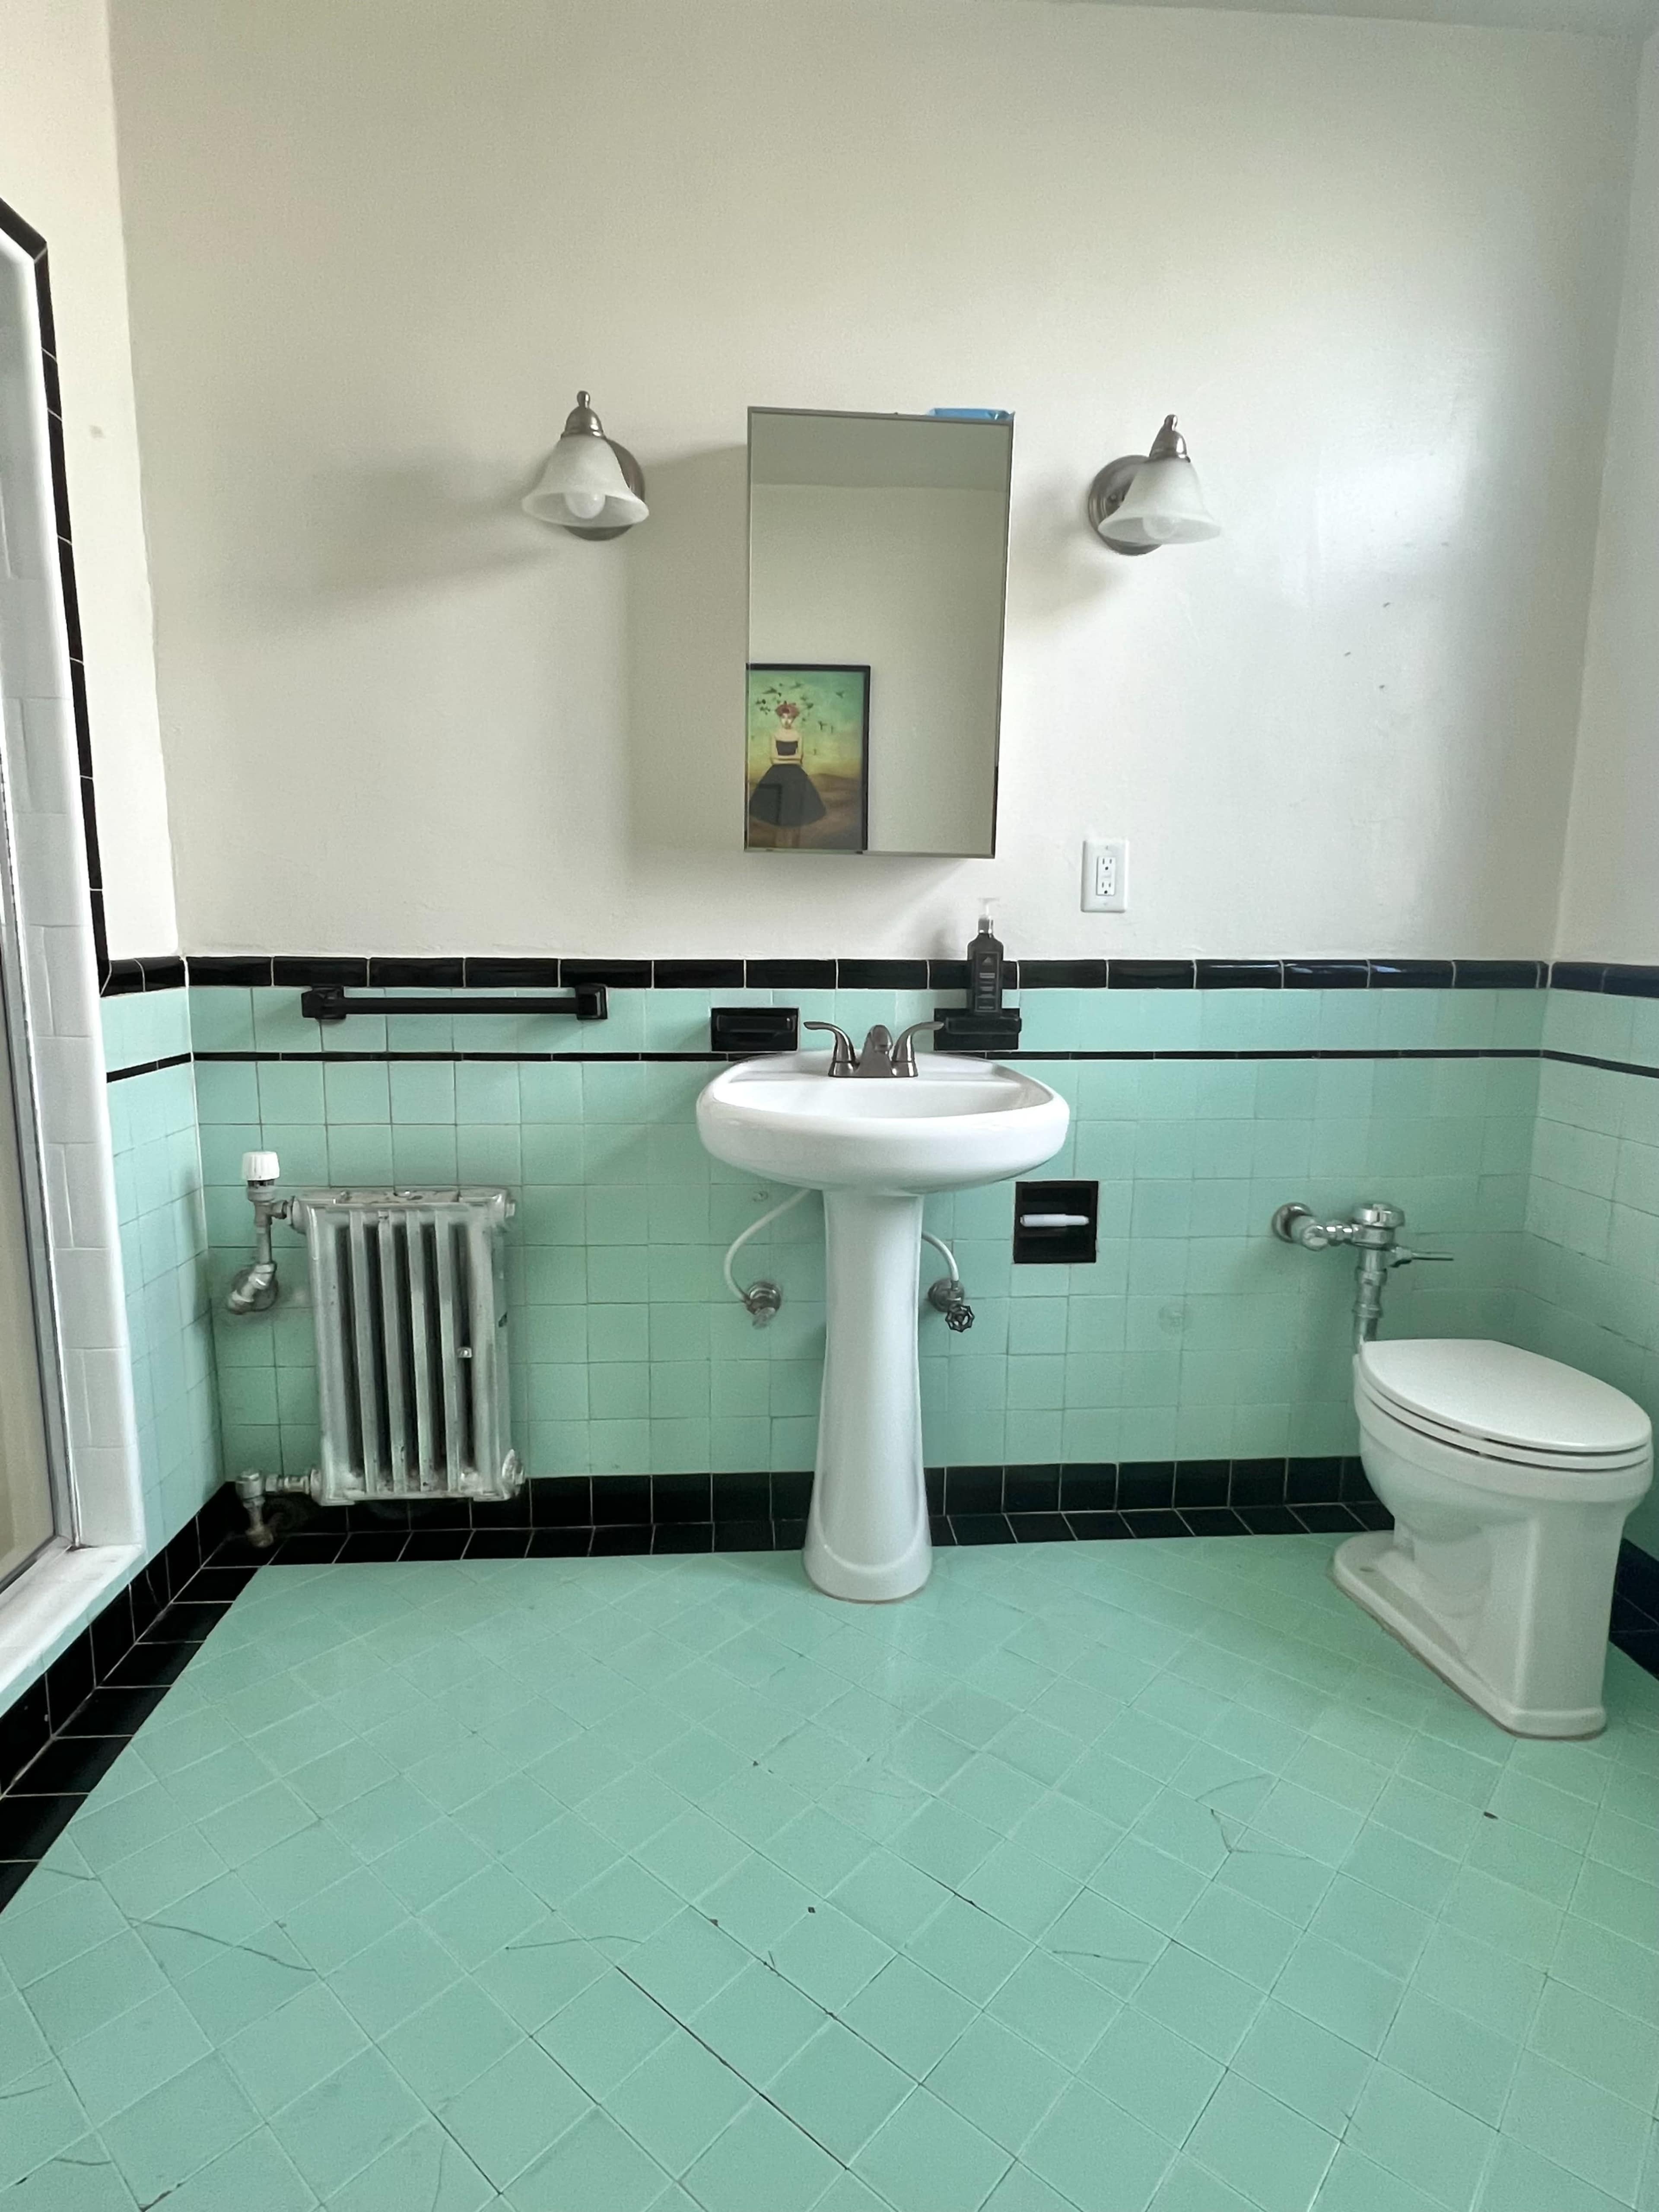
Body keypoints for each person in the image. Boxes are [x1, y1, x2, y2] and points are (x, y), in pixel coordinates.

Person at [747, 698, 826, 847]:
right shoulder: (775, 735)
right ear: (780, 718)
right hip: (776, 776)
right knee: (777, 815)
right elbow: (774, 760)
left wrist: (785, 759)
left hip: (796, 777)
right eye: (783, 717)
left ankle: (794, 848)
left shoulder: (798, 735)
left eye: (790, 718)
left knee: (795, 815)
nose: (786, 721)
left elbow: (799, 758)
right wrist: (790, 759)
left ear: (794, 719)